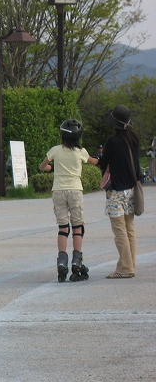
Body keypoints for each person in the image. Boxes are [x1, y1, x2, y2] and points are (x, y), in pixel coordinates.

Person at [39, 119, 99, 283]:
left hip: (58, 191)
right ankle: (76, 262)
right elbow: (95, 162)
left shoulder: (55, 150)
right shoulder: (81, 152)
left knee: (63, 227)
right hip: (75, 190)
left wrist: (53, 168)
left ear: (62, 135)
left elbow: (42, 166)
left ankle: (61, 263)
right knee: (78, 226)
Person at [96, 105, 141, 279]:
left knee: (119, 231)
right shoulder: (134, 139)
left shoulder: (113, 141)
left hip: (116, 191)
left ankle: (125, 268)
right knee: (130, 229)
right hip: (131, 190)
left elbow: (103, 162)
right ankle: (130, 265)